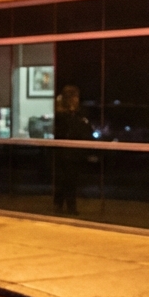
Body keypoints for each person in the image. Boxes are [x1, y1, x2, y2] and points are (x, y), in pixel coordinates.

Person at [52, 85, 93, 214]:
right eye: (73, 97)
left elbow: (86, 130)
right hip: (63, 153)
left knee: (71, 181)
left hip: (74, 153)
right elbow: (61, 131)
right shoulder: (61, 114)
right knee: (63, 180)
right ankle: (62, 205)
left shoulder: (80, 113)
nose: (76, 100)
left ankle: (67, 205)